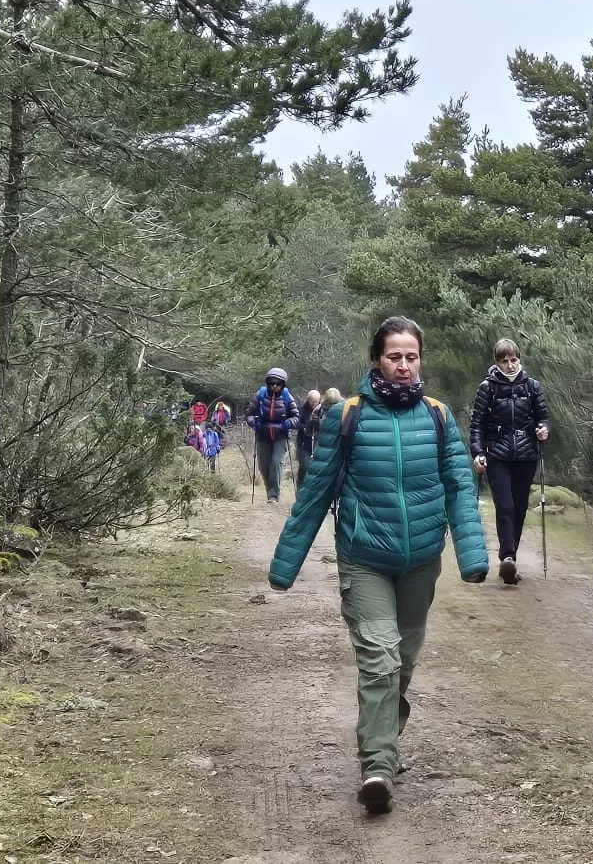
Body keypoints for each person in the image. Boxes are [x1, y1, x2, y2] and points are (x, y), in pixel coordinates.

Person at [268, 316, 489, 816]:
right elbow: (316, 493)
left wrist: (473, 555)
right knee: (380, 658)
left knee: (403, 663)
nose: (405, 366)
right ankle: (377, 766)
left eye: (412, 356)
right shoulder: (347, 415)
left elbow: (459, 486)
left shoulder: (437, 416)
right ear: (377, 361)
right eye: (395, 357)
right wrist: (286, 565)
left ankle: (384, 743)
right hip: (364, 558)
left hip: (421, 562)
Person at [470, 339, 552, 585]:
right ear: (496, 362)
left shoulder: (532, 387)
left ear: (520, 359)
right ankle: (507, 556)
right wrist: (477, 452)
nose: (510, 365)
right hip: (498, 455)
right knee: (505, 506)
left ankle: (510, 561)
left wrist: (543, 430)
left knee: (519, 508)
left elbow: (544, 417)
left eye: (513, 360)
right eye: (504, 361)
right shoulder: (487, 389)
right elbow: (476, 425)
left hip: (526, 456)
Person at [247, 368, 299, 503]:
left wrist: (285, 425)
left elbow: (295, 417)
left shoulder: (287, 397)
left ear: (282, 384)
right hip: (263, 434)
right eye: (272, 383)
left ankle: (273, 495)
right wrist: (255, 423)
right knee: (264, 465)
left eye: (277, 384)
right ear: (268, 383)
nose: (274, 386)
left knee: (276, 463)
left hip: (280, 435)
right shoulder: (260, 394)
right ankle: (269, 490)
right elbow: (249, 414)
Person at [294, 389, 323, 490]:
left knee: (315, 469)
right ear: (308, 400)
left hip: (318, 443)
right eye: (312, 401)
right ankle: (300, 488)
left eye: (316, 401)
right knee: (304, 466)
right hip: (303, 443)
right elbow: (295, 423)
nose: (314, 404)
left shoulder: (323, 410)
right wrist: (304, 427)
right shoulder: (301, 410)